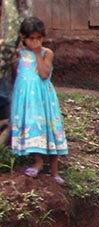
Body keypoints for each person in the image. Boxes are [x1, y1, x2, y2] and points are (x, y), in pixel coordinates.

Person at [12, 16, 67, 183]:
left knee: (50, 127)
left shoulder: (46, 53)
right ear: (23, 38)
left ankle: (55, 172)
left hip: (44, 99)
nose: (35, 41)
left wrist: (37, 53)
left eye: (38, 38)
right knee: (34, 129)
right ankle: (38, 162)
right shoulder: (18, 55)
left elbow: (44, 74)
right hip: (27, 100)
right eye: (31, 38)